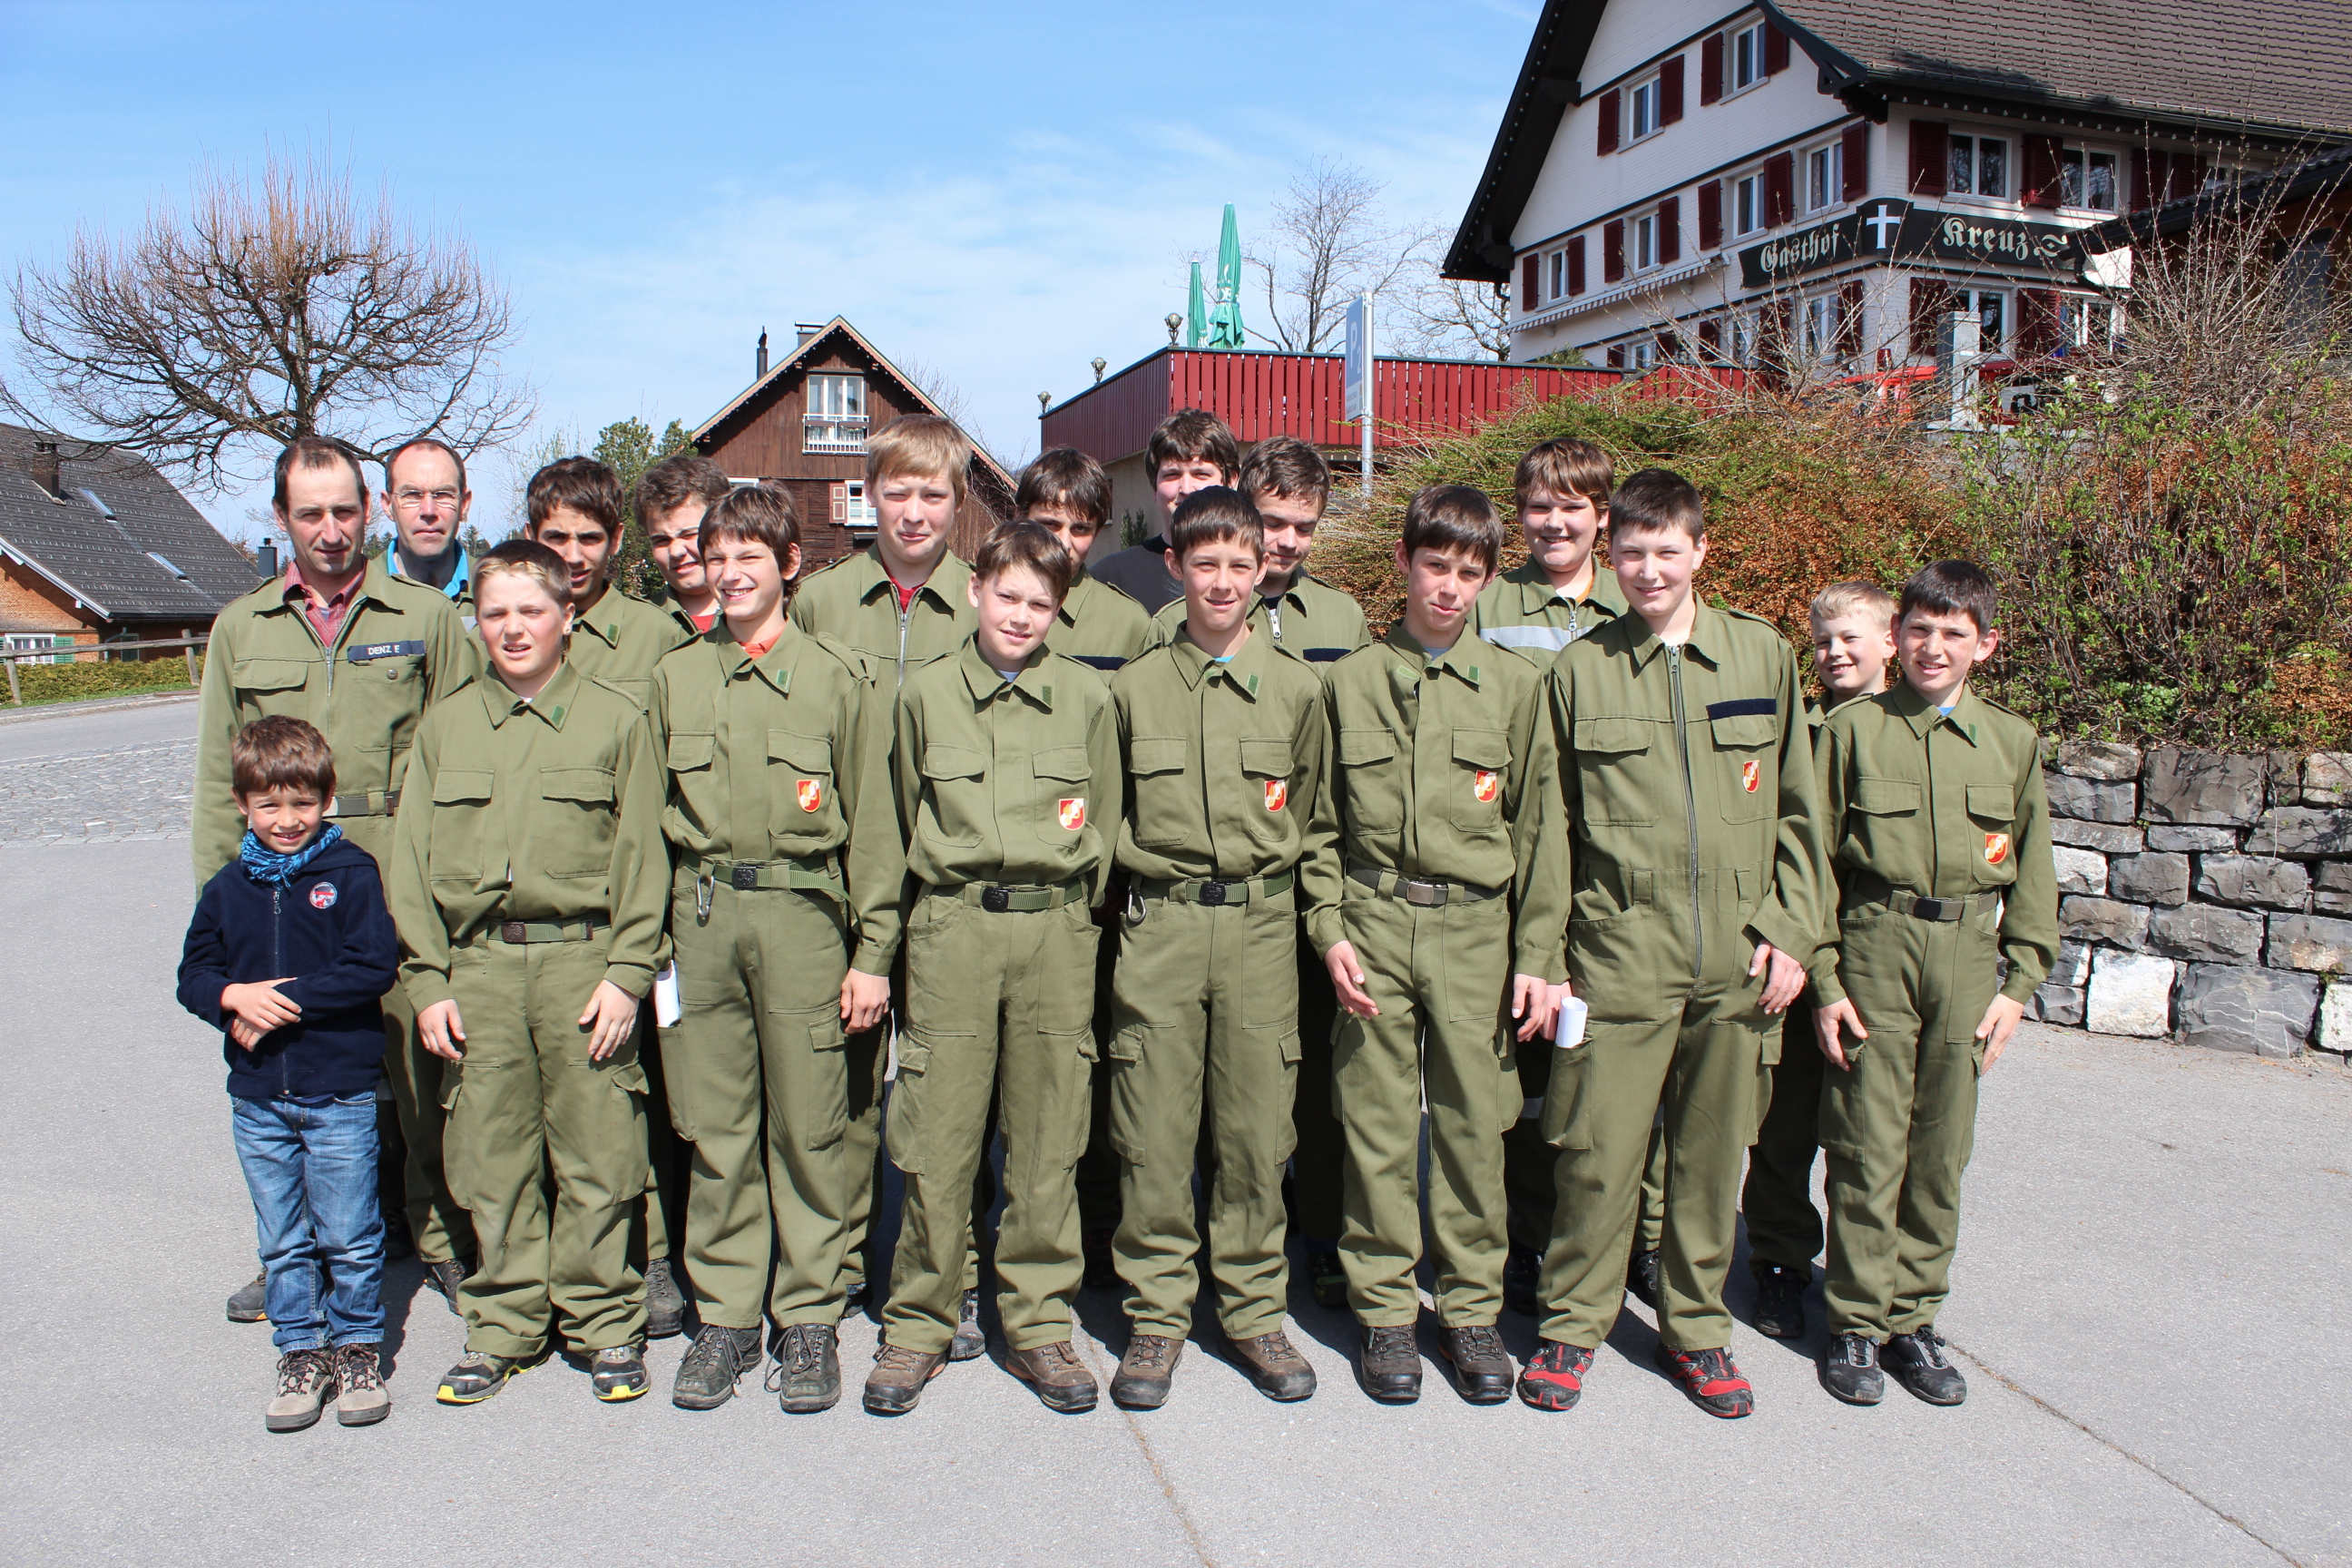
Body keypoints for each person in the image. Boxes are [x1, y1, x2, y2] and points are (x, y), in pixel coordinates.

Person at [1517, 469, 1826, 1421]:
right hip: (1619, 954)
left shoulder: (1761, 655)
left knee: (1709, 1159)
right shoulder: (1580, 671)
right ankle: (1572, 1327)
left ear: (1701, 550)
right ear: (1609, 556)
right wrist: (1546, 957)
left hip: (1739, 958)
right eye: (1631, 553)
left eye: (1666, 551)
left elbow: (1802, 811)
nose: (1648, 570)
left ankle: (1697, 1330)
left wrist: (1793, 931)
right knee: (1597, 1154)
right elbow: (1549, 830)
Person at [193, 436, 474, 1328]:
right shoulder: (241, 629)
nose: (329, 529)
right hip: (278, 884)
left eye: (344, 510)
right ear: (281, 518)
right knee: (291, 1073)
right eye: (309, 513)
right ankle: (297, 1251)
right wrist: (223, 920)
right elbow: (216, 781)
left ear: (370, 511)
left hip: (395, 862)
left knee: (420, 1070)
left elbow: (465, 756)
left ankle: (439, 1237)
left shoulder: (423, 615)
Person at [387, 539, 668, 1406]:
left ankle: (603, 1321)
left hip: (583, 963)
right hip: (478, 970)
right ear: (475, 621)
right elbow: (409, 867)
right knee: (490, 1153)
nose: (513, 629)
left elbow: (644, 857)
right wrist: (428, 982)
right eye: (495, 613)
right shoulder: (446, 729)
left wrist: (627, 974)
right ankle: (504, 1322)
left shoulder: (616, 720)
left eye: (531, 611)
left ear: (567, 617)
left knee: (598, 1151)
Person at [1304, 485, 1558, 1406]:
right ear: (1404, 563)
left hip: (1475, 931)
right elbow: (1318, 826)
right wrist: (1328, 928)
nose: (1448, 587)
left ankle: (1470, 1310)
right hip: (1374, 921)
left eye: (1469, 572)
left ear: (1488, 579)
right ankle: (1382, 1312)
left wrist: (1538, 957)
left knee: (1472, 1126)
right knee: (1375, 1125)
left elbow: (1542, 834)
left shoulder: (1518, 689)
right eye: (1435, 565)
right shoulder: (1350, 684)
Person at [650, 484, 901, 1415]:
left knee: (809, 1127)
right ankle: (725, 1316)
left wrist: (873, 952)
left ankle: (809, 1314)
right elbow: (645, 827)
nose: (730, 571)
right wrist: (648, 952)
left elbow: (874, 828)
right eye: (716, 556)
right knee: (717, 1128)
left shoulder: (836, 678)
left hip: (804, 917)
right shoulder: (677, 678)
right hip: (703, 916)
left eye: (750, 555)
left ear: (789, 565)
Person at [866, 523, 1121, 1416]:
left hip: (1054, 932)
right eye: (1007, 595)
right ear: (975, 589)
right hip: (954, 930)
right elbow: (891, 825)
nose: (1020, 615)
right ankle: (920, 1324)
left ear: (1060, 611)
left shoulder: (1087, 699)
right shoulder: (925, 696)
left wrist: (1072, 919)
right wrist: (879, 954)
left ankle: (1040, 1324)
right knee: (937, 1139)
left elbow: (1104, 823)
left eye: (1040, 604)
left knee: (1049, 1136)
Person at [1102, 487, 1328, 1410]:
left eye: (1241, 563)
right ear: (1176, 567)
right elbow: (1106, 817)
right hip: (1160, 926)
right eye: (1206, 564)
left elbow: (1316, 820)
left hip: (1260, 930)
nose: (1225, 582)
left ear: (1263, 567)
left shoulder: (1300, 690)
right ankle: (1157, 1316)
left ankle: (1252, 1310)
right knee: (1153, 1128)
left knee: (1254, 1130)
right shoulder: (1131, 690)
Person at [1810, 561, 2056, 1408]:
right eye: (1919, 629)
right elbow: (1812, 863)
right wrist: (1824, 978)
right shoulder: (1853, 732)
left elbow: (2034, 872)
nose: (1933, 647)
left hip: (1966, 954)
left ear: (1986, 645)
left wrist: (2019, 984)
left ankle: (1911, 1318)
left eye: (1954, 633)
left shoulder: (2012, 742)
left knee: (1941, 1146)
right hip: (1875, 944)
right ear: (1897, 635)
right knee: (1868, 1140)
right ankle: (1853, 1320)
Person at [1152, 435, 1371, 1308]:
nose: (1285, 542)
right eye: (1272, 522)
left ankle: (1314, 1237)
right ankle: (1205, 1248)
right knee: (1208, 1092)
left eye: (1302, 528)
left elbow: (1330, 777)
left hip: (1302, 890)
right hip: (1201, 912)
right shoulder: (1168, 630)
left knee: (1310, 1085)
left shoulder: (1342, 621)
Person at [790, 414, 982, 1351]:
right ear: (868, 496)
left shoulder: (983, 603)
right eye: (896, 492)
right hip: (842, 878)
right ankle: (840, 1269)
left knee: (947, 1093)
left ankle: (952, 1273)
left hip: (948, 878)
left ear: (958, 502)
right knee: (851, 1087)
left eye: (932, 494)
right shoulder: (821, 603)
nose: (913, 512)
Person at [177, 717, 398, 1433]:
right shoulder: (227, 887)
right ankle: (300, 1352)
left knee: (349, 1233)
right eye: (268, 805)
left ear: (326, 799)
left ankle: (357, 1348)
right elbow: (193, 975)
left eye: (302, 803)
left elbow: (372, 965)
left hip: (338, 1092)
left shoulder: (351, 873)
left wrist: (283, 1001)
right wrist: (232, 998)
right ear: (242, 804)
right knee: (282, 1238)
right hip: (258, 1099)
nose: (286, 819)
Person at [520, 455, 694, 1337]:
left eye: (590, 538)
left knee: (645, 1086)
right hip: (556, 900)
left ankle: (654, 1250)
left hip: (639, 894)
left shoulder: (655, 635)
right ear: (531, 537)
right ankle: (573, 1252)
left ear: (617, 542)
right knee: (574, 1088)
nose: (574, 554)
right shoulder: (513, 630)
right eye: (556, 537)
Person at [1469, 437, 1637, 1318]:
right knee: (1527, 1068)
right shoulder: (1487, 605)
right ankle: (1524, 1237)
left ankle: (1625, 1239)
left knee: (1615, 1065)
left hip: (1614, 870)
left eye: (1573, 507)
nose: (1554, 522)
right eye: (1538, 506)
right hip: (1518, 865)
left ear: (1601, 516)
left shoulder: (1636, 602)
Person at [1014, 446, 1153, 1286]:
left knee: (1096, 1057)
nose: (1062, 541)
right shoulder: (1001, 609)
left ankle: (1098, 1225)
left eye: (1079, 527)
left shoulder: (1125, 624)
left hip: (1093, 882)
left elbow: (1130, 758)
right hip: (1015, 869)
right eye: (1047, 522)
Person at [1743, 581, 1896, 1341]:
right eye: (1824, 641)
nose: (1834, 653)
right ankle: (1779, 1262)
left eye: (1850, 639)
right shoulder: (1797, 726)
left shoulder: (1902, 732)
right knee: (1782, 1125)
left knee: (1868, 1133)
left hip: (1865, 963)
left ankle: (1867, 1277)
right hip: (1791, 953)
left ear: (1890, 642)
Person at [1091, 409, 1239, 615]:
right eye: (1172, 475)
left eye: (1200, 474)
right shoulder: (1111, 579)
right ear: (1155, 487)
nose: (1186, 489)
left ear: (1230, 482)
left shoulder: (1254, 574)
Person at [639, 453, 735, 640]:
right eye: (661, 540)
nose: (676, 552)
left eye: (689, 535)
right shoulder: (638, 625)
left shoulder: (767, 616)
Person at [380, 436, 476, 615]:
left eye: (443, 494)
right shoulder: (356, 596)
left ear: (464, 504)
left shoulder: (502, 592)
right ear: (388, 505)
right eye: (412, 495)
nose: (429, 511)